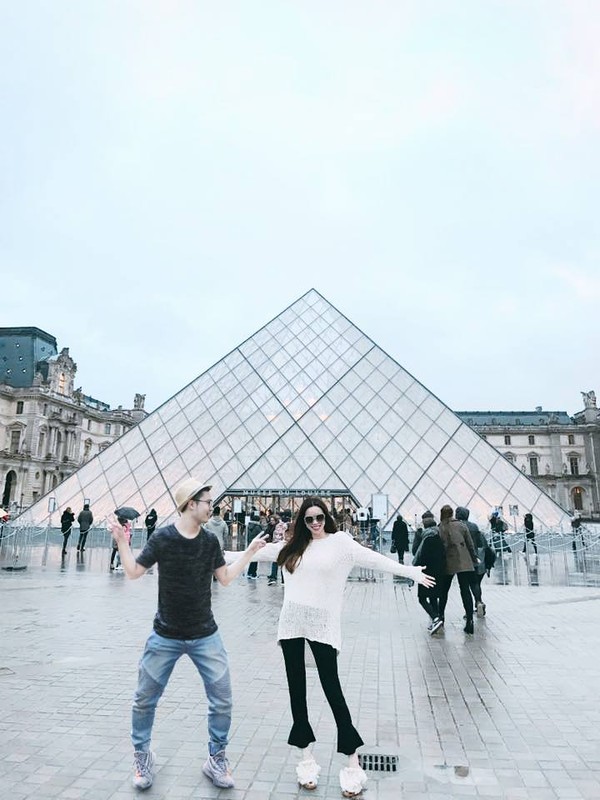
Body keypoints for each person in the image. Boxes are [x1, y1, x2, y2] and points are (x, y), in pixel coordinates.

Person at [226, 496, 434, 797]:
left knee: (333, 691)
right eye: (309, 519)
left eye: (319, 518)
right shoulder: (292, 547)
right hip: (291, 625)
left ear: (327, 517)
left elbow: (376, 560)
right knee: (297, 693)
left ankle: (352, 761)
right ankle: (305, 758)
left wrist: (411, 572)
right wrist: (209, 553)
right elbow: (250, 556)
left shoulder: (341, 544)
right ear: (302, 522)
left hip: (323, 626)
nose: (315, 524)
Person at [107, 477, 268, 792]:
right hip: (165, 634)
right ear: (191, 503)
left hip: (205, 633)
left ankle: (216, 758)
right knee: (143, 700)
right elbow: (133, 572)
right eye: (208, 501)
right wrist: (123, 543)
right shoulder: (164, 538)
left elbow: (223, 578)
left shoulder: (210, 542)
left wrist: (248, 553)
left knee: (222, 700)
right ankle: (142, 757)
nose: (212, 506)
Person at [437, 505, 478, 634]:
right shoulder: (461, 525)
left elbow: (440, 546)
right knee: (465, 590)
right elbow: (470, 544)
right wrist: (474, 558)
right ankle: (470, 620)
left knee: (444, 591)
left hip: (448, 562)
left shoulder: (441, 527)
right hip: (464, 561)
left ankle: (441, 617)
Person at [412, 513, 445, 634]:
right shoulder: (440, 536)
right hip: (439, 571)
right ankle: (436, 620)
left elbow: (416, 552)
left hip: (426, 572)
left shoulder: (424, 538)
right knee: (433, 597)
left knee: (422, 598)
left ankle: (435, 618)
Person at [455, 507, 488, 617]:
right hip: (474, 560)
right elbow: (480, 543)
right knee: (475, 583)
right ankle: (478, 602)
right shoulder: (474, 526)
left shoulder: (455, 526)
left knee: (464, 588)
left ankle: (468, 612)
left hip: (460, 561)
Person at [245, 513, 263, 579]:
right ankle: (253, 573)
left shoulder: (249, 526)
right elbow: (261, 535)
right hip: (256, 544)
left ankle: (249, 573)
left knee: (252, 559)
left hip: (250, 544)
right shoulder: (258, 527)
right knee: (256, 559)